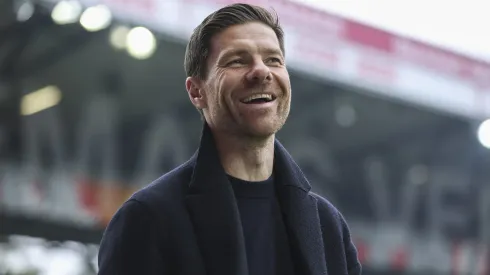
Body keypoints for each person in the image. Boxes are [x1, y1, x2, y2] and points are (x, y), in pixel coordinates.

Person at [97, 3, 361, 275]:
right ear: (196, 91)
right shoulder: (148, 218)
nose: (261, 71)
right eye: (237, 60)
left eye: (273, 60)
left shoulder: (328, 226)